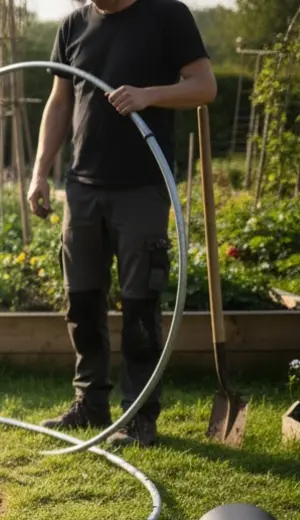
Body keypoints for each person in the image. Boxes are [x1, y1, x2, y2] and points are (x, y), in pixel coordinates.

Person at [28, 0, 216, 448]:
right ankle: (90, 403)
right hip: (82, 187)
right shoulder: (74, 25)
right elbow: (60, 102)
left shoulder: (167, 15)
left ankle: (139, 416)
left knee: (140, 307)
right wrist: (39, 172)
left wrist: (149, 95)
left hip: (142, 187)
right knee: (82, 301)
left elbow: (204, 86)